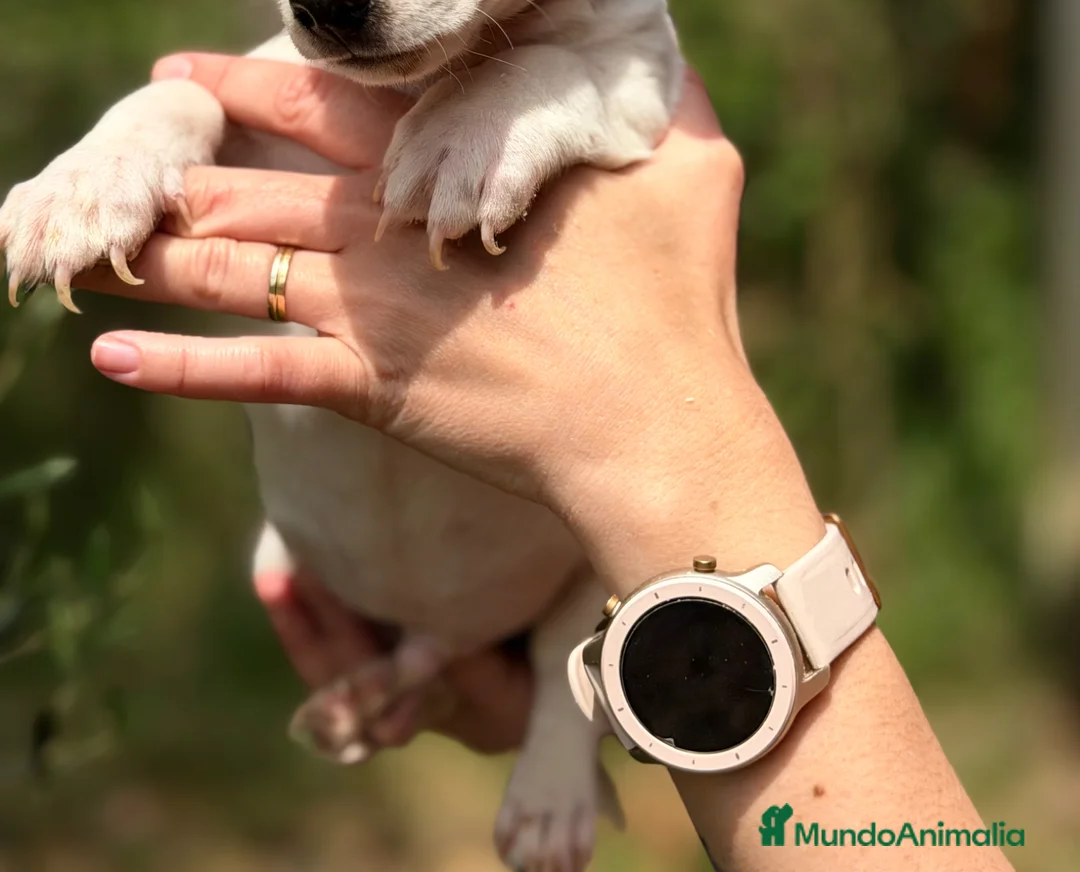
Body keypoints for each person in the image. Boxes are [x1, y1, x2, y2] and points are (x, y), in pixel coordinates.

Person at [80, 53, 1013, 871]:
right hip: (354, 569)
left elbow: (627, 79)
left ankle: (540, 712)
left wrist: (560, 722)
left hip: (540, 590)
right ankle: (448, 669)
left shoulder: (598, 62)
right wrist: (138, 141)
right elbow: (191, 97)